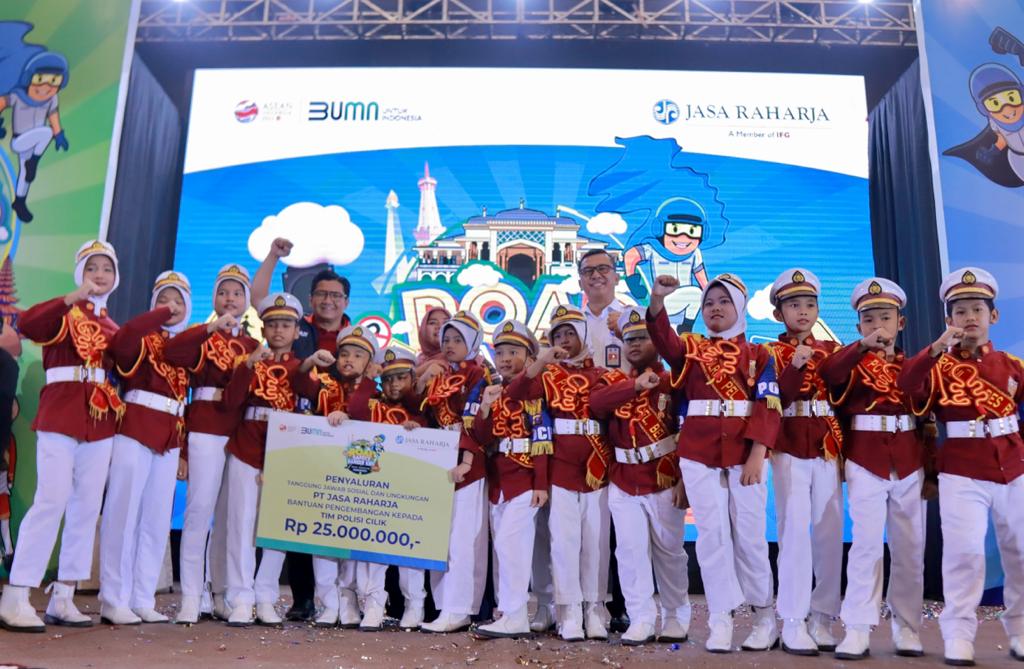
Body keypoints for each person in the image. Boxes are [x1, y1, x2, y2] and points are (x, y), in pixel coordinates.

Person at [645, 273, 781, 653]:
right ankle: (721, 618)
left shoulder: (760, 355)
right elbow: (664, 339)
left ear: (739, 307)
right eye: (708, 302)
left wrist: (758, 453)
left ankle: (765, 617)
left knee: (750, 537)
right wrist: (657, 300)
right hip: (698, 454)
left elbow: (769, 406)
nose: (715, 308)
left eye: (724, 301)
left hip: (745, 454)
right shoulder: (690, 350)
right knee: (711, 537)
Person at [898, 267, 1024, 666]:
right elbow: (906, 386)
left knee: (1021, 551)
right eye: (960, 311)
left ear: (993, 315)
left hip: (1013, 466)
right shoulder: (936, 365)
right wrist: (935, 348)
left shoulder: (1012, 364)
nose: (970, 317)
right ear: (948, 319)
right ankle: (958, 635)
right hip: (962, 469)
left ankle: (1020, 629)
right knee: (964, 554)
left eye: (977, 309)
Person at [0, 240, 122, 631]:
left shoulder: (113, 327)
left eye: (107, 268)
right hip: (61, 413)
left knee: (86, 506)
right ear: (79, 273)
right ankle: (16, 594)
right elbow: (28, 324)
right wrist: (72, 297)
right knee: (50, 500)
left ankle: (64, 596)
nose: (99, 275)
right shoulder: (63, 311)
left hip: (99, 419)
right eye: (92, 267)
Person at [99, 271, 219, 625]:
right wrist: (157, 315)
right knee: (123, 514)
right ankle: (113, 597)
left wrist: (182, 450)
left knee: (156, 518)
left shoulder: (188, 347)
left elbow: (187, 400)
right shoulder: (141, 338)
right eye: (164, 299)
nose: (172, 306)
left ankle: (142, 596)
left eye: (179, 301)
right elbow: (120, 344)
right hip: (135, 426)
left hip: (169, 433)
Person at [819, 278, 929, 660]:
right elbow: (829, 374)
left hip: (908, 458)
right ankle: (857, 628)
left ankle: (907, 627)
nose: (877, 325)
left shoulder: (913, 365)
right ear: (858, 326)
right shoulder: (851, 362)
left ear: (901, 322)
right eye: (868, 319)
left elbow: (926, 406)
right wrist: (861, 347)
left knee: (910, 547)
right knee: (866, 545)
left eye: (885, 317)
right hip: (865, 458)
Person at [251, 237, 350, 619]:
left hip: (337, 432)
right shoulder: (294, 327)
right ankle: (303, 598)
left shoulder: (355, 336)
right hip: (293, 431)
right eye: (321, 294)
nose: (328, 301)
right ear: (310, 299)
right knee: (291, 512)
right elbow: (258, 298)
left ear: (346, 301)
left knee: (329, 515)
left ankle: (339, 601)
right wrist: (273, 256)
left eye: (336, 295)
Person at [220, 293, 332, 627]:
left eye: (285, 324)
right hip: (247, 444)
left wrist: (309, 364)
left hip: (285, 450)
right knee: (241, 525)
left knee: (277, 529)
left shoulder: (304, 366)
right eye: (272, 324)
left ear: (297, 330)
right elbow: (230, 402)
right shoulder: (250, 361)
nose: (279, 330)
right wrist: (248, 365)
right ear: (263, 328)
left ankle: (266, 596)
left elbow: (309, 391)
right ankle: (240, 597)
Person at [507, 305, 612, 642]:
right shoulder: (547, 376)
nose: (565, 340)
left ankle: (594, 609)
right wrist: (542, 360)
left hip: (596, 466)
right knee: (564, 543)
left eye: (570, 333)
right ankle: (568, 612)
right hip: (561, 467)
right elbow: (515, 394)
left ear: (584, 334)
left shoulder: (604, 374)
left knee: (595, 542)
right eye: (558, 335)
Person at [589, 307, 690, 646]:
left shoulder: (673, 380)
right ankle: (641, 618)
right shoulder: (614, 381)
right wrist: (633, 386)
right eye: (629, 338)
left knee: (670, 552)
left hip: (663, 476)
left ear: (657, 341)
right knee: (630, 553)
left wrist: (684, 478)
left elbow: (687, 429)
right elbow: (596, 404)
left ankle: (675, 615)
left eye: (642, 337)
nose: (634, 343)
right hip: (622, 478)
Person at [164, 264, 258, 624]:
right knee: (198, 511)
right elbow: (172, 353)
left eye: (236, 293)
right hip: (205, 425)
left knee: (232, 518)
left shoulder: (252, 346)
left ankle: (221, 593)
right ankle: (191, 594)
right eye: (223, 292)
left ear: (246, 301)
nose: (229, 298)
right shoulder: (201, 337)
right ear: (214, 298)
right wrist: (208, 328)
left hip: (240, 432)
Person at [765, 269, 844, 655]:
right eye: (794, 305)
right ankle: (793, 620)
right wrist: (795, 366)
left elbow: (846, 400)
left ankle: (823, 616)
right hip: (790, 447)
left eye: (810, 304)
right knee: (793, 534)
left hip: (827, 446)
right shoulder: (770, 353)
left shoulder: (833, 350)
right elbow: (774, 398)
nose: (803, 311)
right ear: (778, 313)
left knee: (830, 533)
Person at [470, 319, 550, 640]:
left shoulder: (534, 391)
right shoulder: (493, 390)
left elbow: (542, 438)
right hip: (500, 481)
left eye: (513, 352)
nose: (504, 358)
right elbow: (480, 435)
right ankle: (509, 612)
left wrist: (541, 482)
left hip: (525, 478)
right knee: (505, 547)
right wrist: (485, 407)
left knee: (510, 543)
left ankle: (516, 613)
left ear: (529, 357)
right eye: (500, 352)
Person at [313, 325, 391, 632]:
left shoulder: (378, 393)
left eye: (358, 355)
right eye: (344, 353)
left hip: (363, 480)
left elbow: (361, 413)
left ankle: (356, 602)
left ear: (370, 362)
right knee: (324, 538)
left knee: (359, 541)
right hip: (326, 476)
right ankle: (331, 603)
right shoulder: (325, 388)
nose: (349, 360)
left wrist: (367, 384)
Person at [347, 344, 430, 630]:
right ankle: (373, 605)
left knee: (410, 549)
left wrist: (418, 426)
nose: (395, 385)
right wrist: (370, 379)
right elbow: (355, 410)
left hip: (410, 491)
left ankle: (414, 605)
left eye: (401, 377)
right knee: (372, 548)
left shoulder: (421, 408)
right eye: (389, 379)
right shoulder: (375, 406)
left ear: (413, 378)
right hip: (377, 491)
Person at [417, 311, 490, 633]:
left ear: (472, 342)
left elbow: (476, 421)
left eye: (458, 339)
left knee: (463, 538)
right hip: (438, 457)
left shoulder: (479, 374)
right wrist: (423, 380)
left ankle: (459, 608)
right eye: (446, 338)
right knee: (439, 538)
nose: (449, 344)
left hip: (466, 463)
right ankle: (443, 605)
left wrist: (468, 460)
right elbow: (423, 412)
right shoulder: (439, 373)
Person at [578, 250, 630, 373]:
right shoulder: (573, 324)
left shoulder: (633, 320)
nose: (596, 275)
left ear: (616, 278)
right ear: (580, 283)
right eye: (588, 271)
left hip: (628, 384)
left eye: (603, 268)